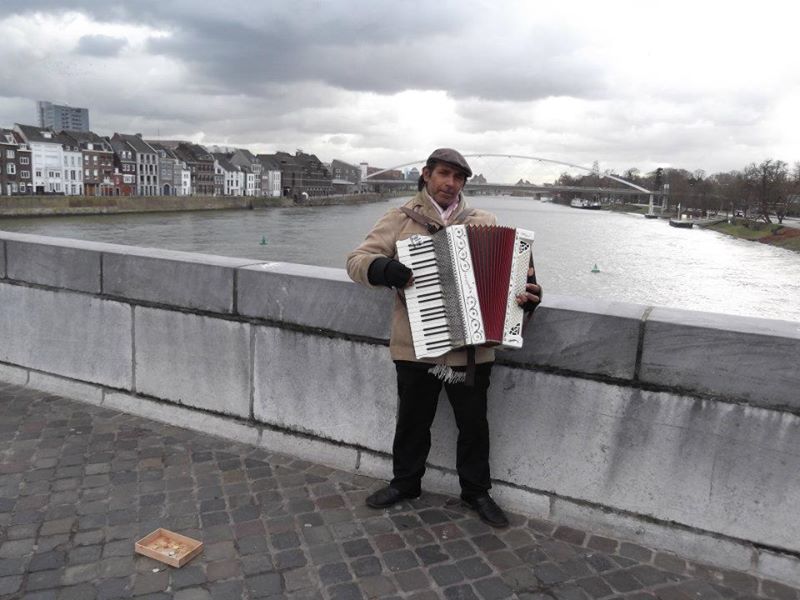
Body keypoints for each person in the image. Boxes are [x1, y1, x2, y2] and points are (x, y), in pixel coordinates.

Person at [346, 148, 542, 528]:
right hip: (415, 347)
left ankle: (476, 492)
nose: (450, 184)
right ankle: (405, 483)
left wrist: (529, 295)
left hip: (472, 351)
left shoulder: (484, 221)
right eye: (443, 175)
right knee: (412, 422)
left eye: (458, 177)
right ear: (426, 175)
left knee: (474, 426)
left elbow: (518, 281)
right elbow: (356, 261)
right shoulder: (399, 219)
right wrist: (385, 268)